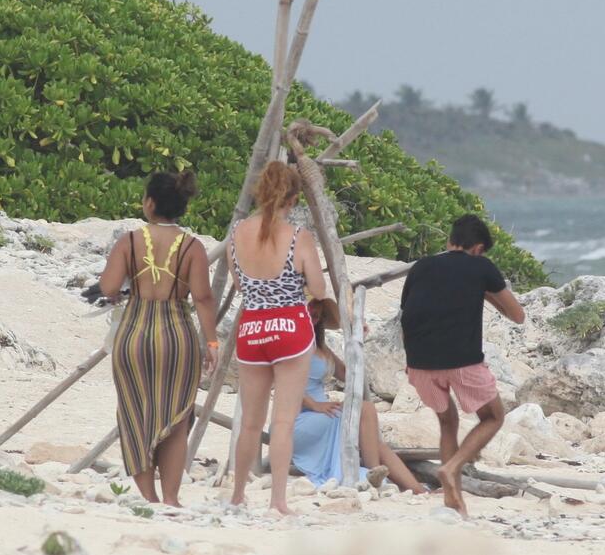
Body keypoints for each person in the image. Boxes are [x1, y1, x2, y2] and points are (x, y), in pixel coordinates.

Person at [99, 171, 219, 507]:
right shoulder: (192, 247)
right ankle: (170, 498)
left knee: (135, 413)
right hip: (177, 335)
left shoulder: (129, 242)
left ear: (149, 203)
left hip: (134, 333)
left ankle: (149, 497)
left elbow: (108, 287)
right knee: (177, 417)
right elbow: (203, 298)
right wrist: (212, 342)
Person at [400, 214, 526, 517]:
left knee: (448, 422)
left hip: (418, 363)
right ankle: (452, 467)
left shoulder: (421, 267)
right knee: (493, 416)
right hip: (461, 362)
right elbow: (518, 316)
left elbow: (405, 315)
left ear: (450, 240)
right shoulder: (481, 267)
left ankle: (452, 500)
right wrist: (486, 291)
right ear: (478, 248)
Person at [227, 161, 326, 515]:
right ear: (294, 199)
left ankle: (238, 495)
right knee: (283, 421)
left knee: (250, 423)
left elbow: (240, 285)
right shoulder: (299, 237)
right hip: (290, 330)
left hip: (252, 328)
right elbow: (318, 289)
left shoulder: (238, 232)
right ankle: (278, 501)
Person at [291, 298, 426, 494]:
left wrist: (357, 340)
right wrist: (315, 405)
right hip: (299, 419)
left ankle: (418, 490)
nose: (314, 314)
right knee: (365, 409)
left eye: (318, 312)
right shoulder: (292, 342)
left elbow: (348, 374)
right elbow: (285, 384)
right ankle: (373, 473)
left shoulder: (320, 347)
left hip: (322, 415)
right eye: (309, 309)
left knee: (376, 442)